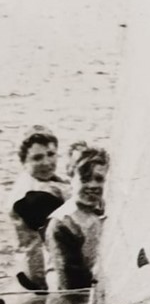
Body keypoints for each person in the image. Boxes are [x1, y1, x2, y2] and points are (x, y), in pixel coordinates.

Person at [8, 125, 70, 290]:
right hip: (37, 284)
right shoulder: (31, 197)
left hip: (29, 274)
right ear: (24, 162)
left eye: (51, 154)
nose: (46, 162)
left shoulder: (45, 180)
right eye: (37, 158)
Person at [44, 147, 108, 291]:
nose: (92, 185)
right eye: (85, 179)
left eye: (99, 179)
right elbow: (71, 283)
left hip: (99, 288)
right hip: (72, 296)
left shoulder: (104, 212)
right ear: (71, 180)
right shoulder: (63, 224)